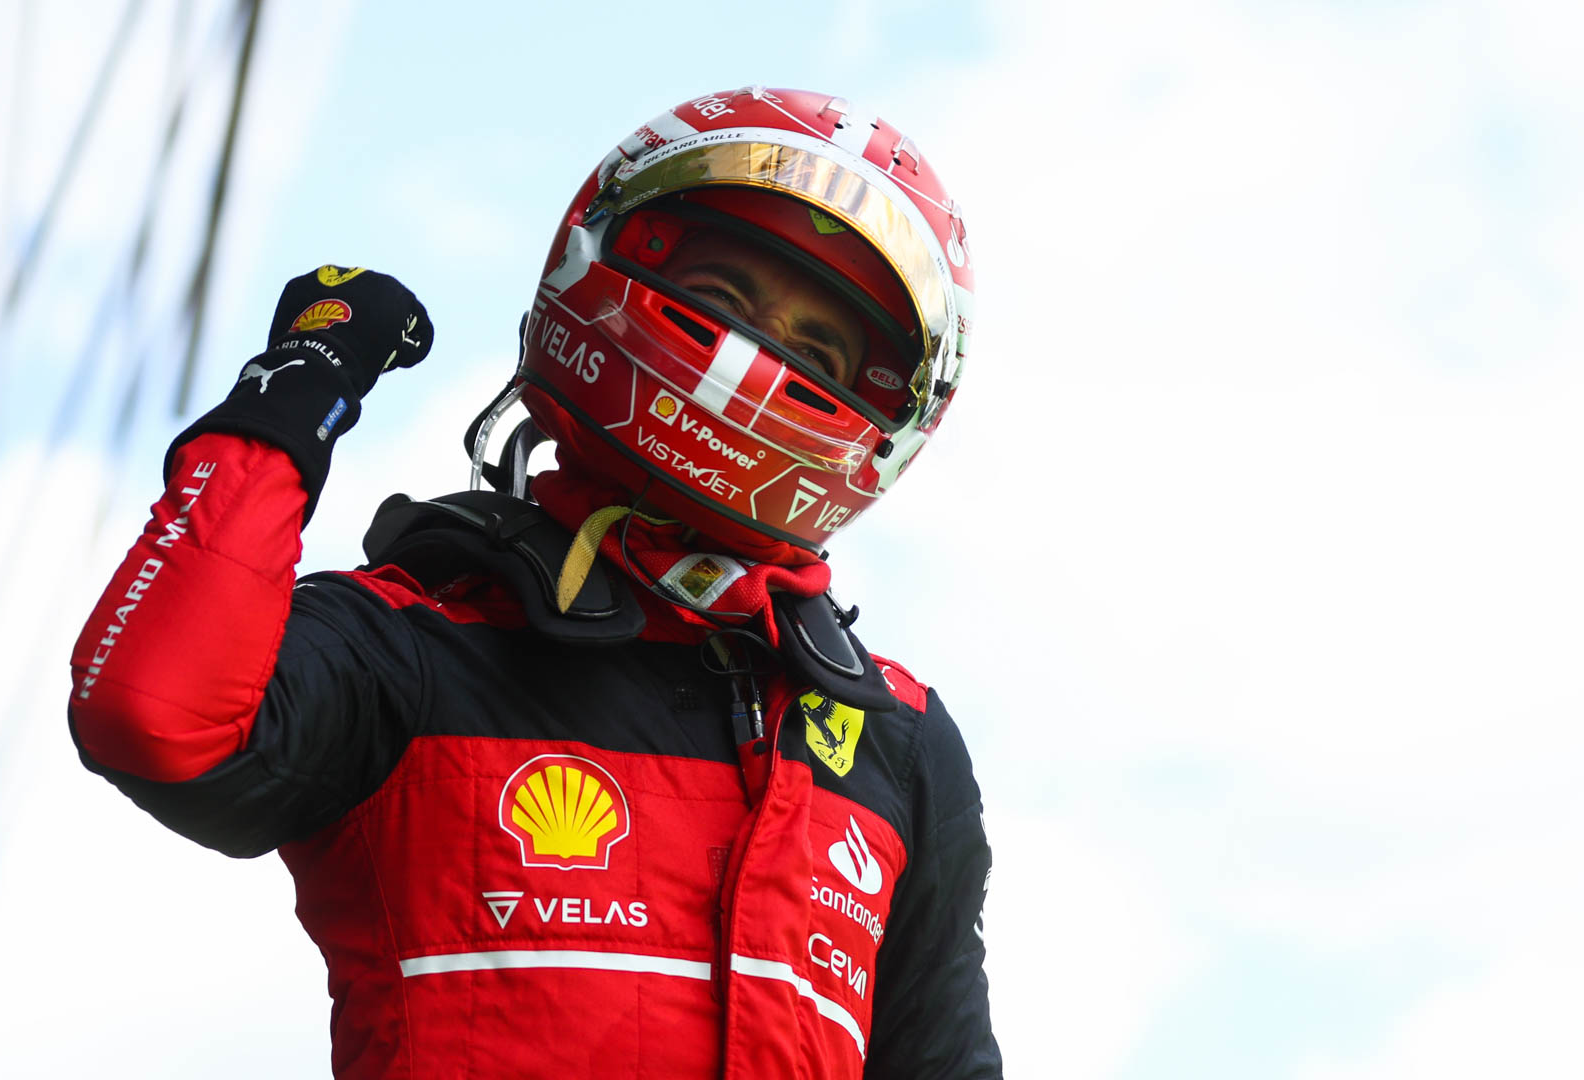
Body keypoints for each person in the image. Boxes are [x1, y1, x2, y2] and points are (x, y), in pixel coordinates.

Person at [68, 85, 997, 1079]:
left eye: (815, 351)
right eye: (722, 298)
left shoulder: (897, 742)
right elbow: (152, 715)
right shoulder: (417, 643)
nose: (748, 357)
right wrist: (292, 397)